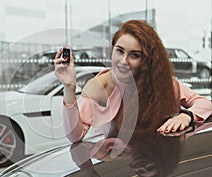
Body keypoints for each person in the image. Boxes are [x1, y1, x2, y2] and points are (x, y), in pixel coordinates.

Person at [54, 20, 212, 143]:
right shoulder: (100, 86)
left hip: (153, 161)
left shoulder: (162, 83)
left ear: (146, 60)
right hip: (120, 172)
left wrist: (186, 116)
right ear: (112, 50)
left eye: (134, 55)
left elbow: (205, 104)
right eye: (119, 51)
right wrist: (69, 87)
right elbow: (75, 137)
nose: (123, 61)